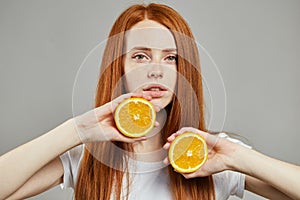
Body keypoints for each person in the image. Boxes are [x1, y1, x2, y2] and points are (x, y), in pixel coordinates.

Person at [0, 3, 298, 200]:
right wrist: (77, 130)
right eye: (141, 56)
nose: (156, 69)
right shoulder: (87, 157)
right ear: (120, 69)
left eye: (171, 58)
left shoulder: (211, 157)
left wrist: (237, 156)